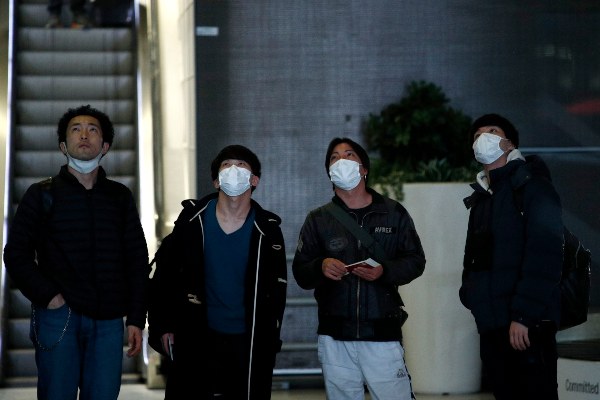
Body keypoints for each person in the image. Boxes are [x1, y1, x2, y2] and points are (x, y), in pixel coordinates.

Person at [3, 104, 149, 399]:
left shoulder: (119, 197)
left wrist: (136, 317)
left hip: (108, 318)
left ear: (105, 146)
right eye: (76, 129)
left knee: (104, 394)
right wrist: (49, 296)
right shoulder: (42, 193)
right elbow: (15, 253)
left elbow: (137, 259)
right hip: (59, 315)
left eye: (93, 130)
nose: (84, 135)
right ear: (62, 145)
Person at [147, 145, 288, 399]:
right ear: (216, 181)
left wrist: (270, 340)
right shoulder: (192, 221)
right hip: (196, 335)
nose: (234, 170)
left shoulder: (267, 230)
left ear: (254, 180)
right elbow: (164, 276)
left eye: (242, 165)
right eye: (226, 165)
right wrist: (162, 325)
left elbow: (277, 291)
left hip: (248, 340)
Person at [292, 137, 426, 400]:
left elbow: (415, 261)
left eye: (349, 155)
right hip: (334, 336)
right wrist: (321, 266)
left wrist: (383, 272)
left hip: (382, 333)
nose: (341, 161)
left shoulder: (393, 212)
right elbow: (300, 272)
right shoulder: (318, 219)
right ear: (329, 172)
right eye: (334, 157)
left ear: (364, 168)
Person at [460, 114, 563, 399]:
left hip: (528, 326)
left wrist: (523, 315)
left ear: (510, 143)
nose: (484, 137)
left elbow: (545, 255)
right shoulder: (483, 196)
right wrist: (471, 296)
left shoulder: (532, 186)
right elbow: (474, 259)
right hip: (492, 324)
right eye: (478, 134)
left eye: (492, 131)